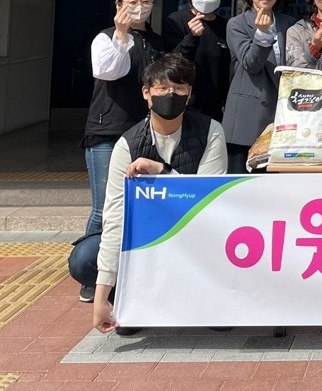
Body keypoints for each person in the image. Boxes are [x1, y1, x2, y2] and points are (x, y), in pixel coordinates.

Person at [68, 53, 227, 336]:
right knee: (85, 257)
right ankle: (130, 298)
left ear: (189, 93)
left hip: (195, 237)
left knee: (221, 321)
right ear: (146, 93)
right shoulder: (126, 145)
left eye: (179, 88)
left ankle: (200, 295)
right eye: (162, 88)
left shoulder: (211, 131)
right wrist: (101, 298)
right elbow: (115, 218)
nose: (171, 95)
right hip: (146, 240)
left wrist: (162, 172)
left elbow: (207, 202)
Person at [75, 0, 163, 304]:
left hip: (142, 133)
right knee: (104, 209)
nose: (140, 7)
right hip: (107, 133)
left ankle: (127, 271)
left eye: (145, 1)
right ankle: (90, 274)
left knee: (139, 204)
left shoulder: (155, 41)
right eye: (132, 2)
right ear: (118, 5)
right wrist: (122, 35)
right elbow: (109, 71)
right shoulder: (105, 38)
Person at [223, 0, 296, 174]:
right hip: (247, 119)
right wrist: (262, 34)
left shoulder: (289, 23)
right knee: (242, 185)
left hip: (281, 117)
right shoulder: (236, 24)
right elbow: (251, 63)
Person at [163, 0, 230, 122]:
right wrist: (192, 37)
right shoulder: (177, 20)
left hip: (215, 110)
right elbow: (172, 62)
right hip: (183, 108)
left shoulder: (226, 26)